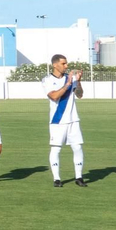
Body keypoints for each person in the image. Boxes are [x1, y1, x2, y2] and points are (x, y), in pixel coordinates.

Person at [43, 54, 87, 188]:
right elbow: (54, 96)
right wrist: (67, 84)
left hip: (73, 119)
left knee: (77, 147)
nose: (66, 66)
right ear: (55, 65)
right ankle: (57, 179)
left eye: (66, 63)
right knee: (56, 149)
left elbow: (79, 95)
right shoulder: (47, 80)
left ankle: (79, 177)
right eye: (63, 64)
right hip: (58, 120)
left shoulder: (71, 78)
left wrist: (78, 81)